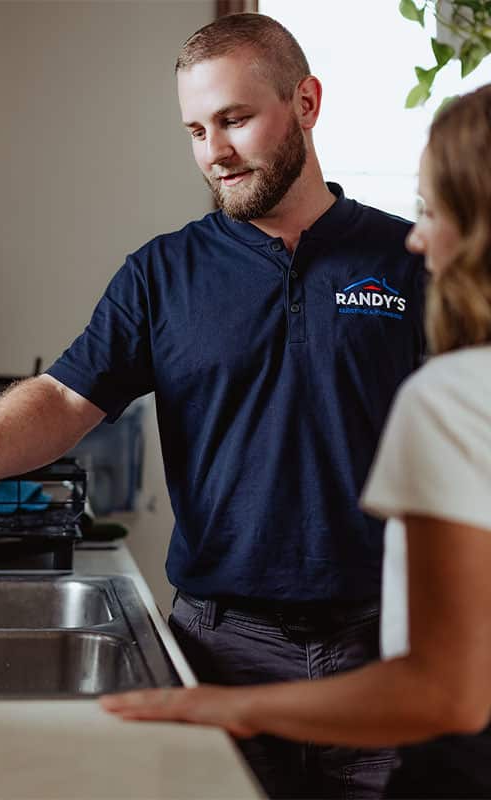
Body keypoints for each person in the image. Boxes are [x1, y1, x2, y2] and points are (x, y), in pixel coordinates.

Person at [0, 13, 425, 798]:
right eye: (196, 129)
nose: (213, 152)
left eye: (234, 119)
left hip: (386, 645)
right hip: (219, 649)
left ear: (306, 103)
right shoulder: (163, 275)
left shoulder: (409, 260)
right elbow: (62, 399)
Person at [100, 84, 491, 798]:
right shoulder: (162, 271)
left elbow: (444, 690)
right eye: (196, 128)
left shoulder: (452, 396)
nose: (415, 235)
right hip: (228, 630)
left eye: (432, 210)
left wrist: (227, 706)